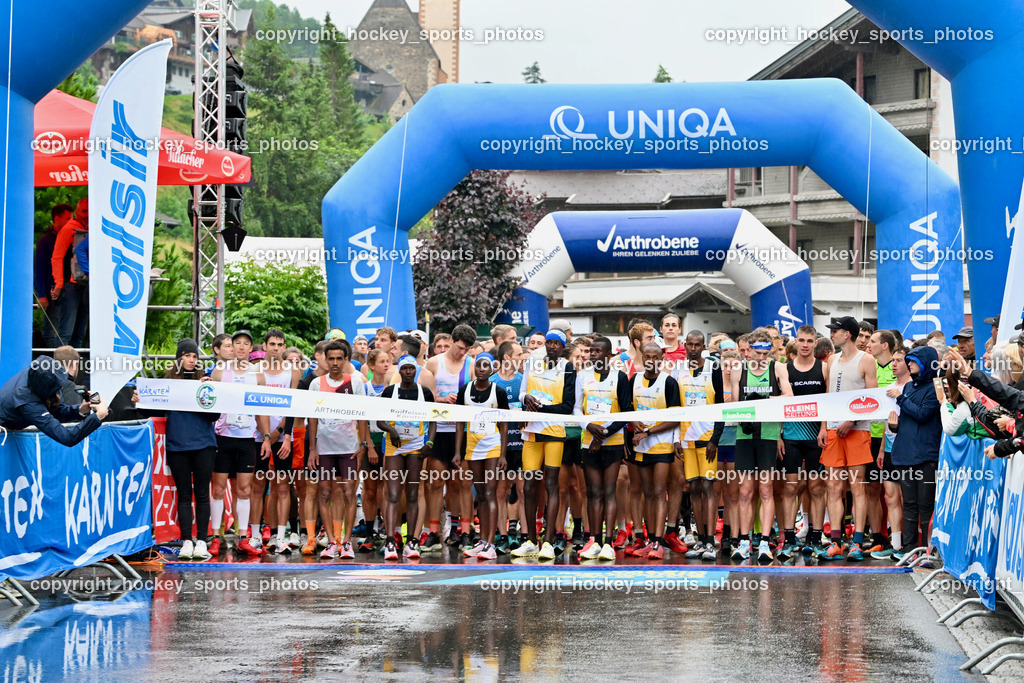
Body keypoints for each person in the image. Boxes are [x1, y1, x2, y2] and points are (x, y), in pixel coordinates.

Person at [728, 328, 792, 562]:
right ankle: (744, 540)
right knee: (745, 491)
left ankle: (765, 541)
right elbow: (734, 404)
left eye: (765, 354)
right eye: (757, 354)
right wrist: (745, 407)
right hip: (745, 434)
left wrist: (765, 401)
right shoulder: (739, 370)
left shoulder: (778, 367)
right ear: (748, 352)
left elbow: (789, 396)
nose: (761, 359)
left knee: (765, 490)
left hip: (768, 434)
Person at [512, 329, 577, 560]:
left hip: (554, 432)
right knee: (528, 486)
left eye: (556, 344)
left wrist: (540, 409)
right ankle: (530, 539)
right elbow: (522, 393)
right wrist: (525, 400)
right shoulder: (532, 362)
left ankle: (548, 541)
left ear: (563, 347)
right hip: (531, 432)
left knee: (552, 486)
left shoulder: (568, 368)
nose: (551, 347)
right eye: (548, 343)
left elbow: (568, 406)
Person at [818, 316, 878, 562]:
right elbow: (828, 396)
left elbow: (873, 399)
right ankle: (835, 541)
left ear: (848, 334)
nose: (832, 334)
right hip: (833, 430)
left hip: (857, 430)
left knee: (857, 486)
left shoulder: (867, 360)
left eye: (836, 331)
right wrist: (824, 426)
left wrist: (851, 421)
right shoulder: (831, 359)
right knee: (833, 486)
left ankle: (857, 542)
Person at [209, 330, 271, 556]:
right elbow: (208, 402)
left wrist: (265, 437)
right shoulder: (219, 372)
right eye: (238, 343)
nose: (242, 347)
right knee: (218, 489)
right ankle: (217, 537)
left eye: (246, 344)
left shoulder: (257, 374)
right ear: (231, 347)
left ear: (250, 348)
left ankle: (242, 536)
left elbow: (262, 409)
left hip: (246, 439)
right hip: (222, 438)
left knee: (244, 489)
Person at [308, 340, 370, 560]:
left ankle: (346, 543)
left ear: (346, 360)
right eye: (331, 358)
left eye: (338, 358)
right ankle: (332, 542)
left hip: (349, 449)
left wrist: (364, 445)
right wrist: (312, 449)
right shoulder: (316, 384)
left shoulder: (355, 382)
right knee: (324, 493)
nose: (334, 363)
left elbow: (363, 415)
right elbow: (313, 418)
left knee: (348, 493)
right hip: (325, 449)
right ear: (325, 359)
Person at [570, 336, 630, 562]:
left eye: (596, 351)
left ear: (608, 354)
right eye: (590, 351)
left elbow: (625, 412)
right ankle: (594, 540)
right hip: (588, 440)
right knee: (593, 492)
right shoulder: (582, 376)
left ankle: (608, 542)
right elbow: (576, 409)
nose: (591, 355)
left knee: (608, 491)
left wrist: (603, 433)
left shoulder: (620, 377)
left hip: (612, 441)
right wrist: (590, 427)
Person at [163, 339, 219, 561]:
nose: (191, 360)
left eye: (195, 356)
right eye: (187, 355)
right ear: (179, 358)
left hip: (204, 444)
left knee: (202, 493)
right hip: (177, 444)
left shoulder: (205, 382)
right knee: (184, 494)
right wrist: (139, 400)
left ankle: (202, 541)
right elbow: (150, 409)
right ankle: (187, 539)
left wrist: (208, 393)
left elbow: (214, 416)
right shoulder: (167, 382)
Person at [628, 342, 683, 560]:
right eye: (647, 356)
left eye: (655, 356)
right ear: (642, 356)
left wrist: (649, 431)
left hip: (661, 444)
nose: (651, 360)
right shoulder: (634, 380)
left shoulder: (668, 382)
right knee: (647, 492)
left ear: (662, 358)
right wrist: (635, 424)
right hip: (641, 444)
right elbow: (628, 410)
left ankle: (659, 542)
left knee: (660, 492)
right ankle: (650, 539)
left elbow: (675, 417)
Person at [377, 355, 436, 560]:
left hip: (416, 446)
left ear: (416, 371)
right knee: (393, 493)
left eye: (412, 368)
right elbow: (378, 420)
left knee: (412, 493)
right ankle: (390, 541)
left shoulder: (424, 392)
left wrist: (430, 442)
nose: (409, 372)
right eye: (405, 369)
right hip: (394, 446)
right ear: (399, 371)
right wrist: (390, 430)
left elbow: (433, 418)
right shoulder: (390, 392)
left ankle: (412, 540)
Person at [423, 324, 476, 548]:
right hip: (439, 430)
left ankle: (462, 530)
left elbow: (478, 394)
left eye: (467, 349)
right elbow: (425, 398)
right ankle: (434, 532)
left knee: (462, 483)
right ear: (452, 340)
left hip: (462, 432)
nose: (462, 353)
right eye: (461, 348)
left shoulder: (471, 364)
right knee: (435, 484)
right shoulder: (434, 363)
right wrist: (443, 400)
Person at [674, 331, 724, 561]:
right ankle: (700, 538)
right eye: (690, 345)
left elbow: (721, 406)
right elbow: (675, 408)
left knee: (708, 487)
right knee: (693, 488)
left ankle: (712, 541)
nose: (693, 348)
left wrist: (716, 438)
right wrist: (676, 438)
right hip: (686, 437)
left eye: (697, 345)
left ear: (703, 346)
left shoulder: (713, 369)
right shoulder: (678, 370)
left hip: (708, 438)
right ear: (685, 345)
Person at [779, 325, 828, 558]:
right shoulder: (784, 369)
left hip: (816, 437)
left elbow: (830, 401)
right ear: (795, 342)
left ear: (816, 343)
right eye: (802, 340)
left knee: (817, 487)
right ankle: (788, 538)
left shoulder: (824, 368)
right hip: (790, 436)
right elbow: (777, 404)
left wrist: (825, 428)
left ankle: (816, 537)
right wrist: (779, 434)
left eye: (810, 340)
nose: (806, 344)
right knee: (790, 487)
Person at [455, 353, 509, 560]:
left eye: (486, 365)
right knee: (480, 494)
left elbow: (504, 424)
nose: (481, 369)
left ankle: (492, 544)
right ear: (474, 368)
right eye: (478, 365)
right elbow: (459, 422)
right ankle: (483, 541)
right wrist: (457, 452)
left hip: (493, 446)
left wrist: (503, 454)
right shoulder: (465, 390)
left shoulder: (498, 392)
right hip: (472, 446)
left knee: (490, 493)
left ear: (492, 369)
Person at [889, 346, 941, 556]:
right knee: (909, 505)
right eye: (908, 361)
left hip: (926, 456)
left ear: (925, 364)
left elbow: (923, 414)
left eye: (912, 361)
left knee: (926, 505)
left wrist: (901, 398)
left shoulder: (936, 388)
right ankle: (909, 548)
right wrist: (895, 426)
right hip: (905, 455)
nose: (908, 364)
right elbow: (908, 419)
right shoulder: (909, 387)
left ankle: (928, 549)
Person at [256, 329, 303, 554]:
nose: (276, 348)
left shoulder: (292, 371)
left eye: (280, 344)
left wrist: (282, 435)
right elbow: (256, 406)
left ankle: (281, 536)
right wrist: (266, 436)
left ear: (284, 347)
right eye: (272, 344)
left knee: (283, 486)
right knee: (259, 486)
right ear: (264, 346)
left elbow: (292, 405)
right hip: (258, 435)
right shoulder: (256, 371)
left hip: (283, 436)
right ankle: (256, 535)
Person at [0, 356, 106, 445]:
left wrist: (79, 410)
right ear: (48, 387)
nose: (62, 388)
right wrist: (97, 417)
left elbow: (57, 411)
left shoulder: (38, 373)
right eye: (58, 386)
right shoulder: (28, 402)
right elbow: (68, 438)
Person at [871, 348, 911, 559]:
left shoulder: (913, 388)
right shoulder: (888, 388)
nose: (894, 364)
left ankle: (911, 544)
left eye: (899, 360)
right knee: (890, 496)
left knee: (907, 498)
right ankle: (895, 545)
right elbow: (888, 422)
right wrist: (880, 449)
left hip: (908, 451)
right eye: (893, 360)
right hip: (888, 449)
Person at [491, 340, 526, 554]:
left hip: (522, 444)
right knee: (501, 491)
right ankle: (502, 536)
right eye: (519, 354)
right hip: (500, 447)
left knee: (523, 490)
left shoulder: (524, 380)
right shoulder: (493, 382)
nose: (522, 357)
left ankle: (524, 537)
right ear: (507, 358)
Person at [49, 198, 89, 348]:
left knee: (79, 333)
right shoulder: (68, 229)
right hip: (70, 287)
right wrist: (59, 283)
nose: (87, 214)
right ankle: (60, 369)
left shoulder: (93, 228)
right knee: (66, 333)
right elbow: (57, 257)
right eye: (84, 211)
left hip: (86, 285)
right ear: (77, 213)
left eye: (89, 211)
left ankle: (74, 370)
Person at [35, 203, 73, 347]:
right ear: (56, 218)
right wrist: (41, 294)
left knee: (65, 328)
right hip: (52, 291)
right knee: (52, 329)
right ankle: (52, 363)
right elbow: (39, 268)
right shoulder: (46, 240)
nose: (70, 222)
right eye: (67, 218)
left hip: (68, 289)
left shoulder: (70, 237)